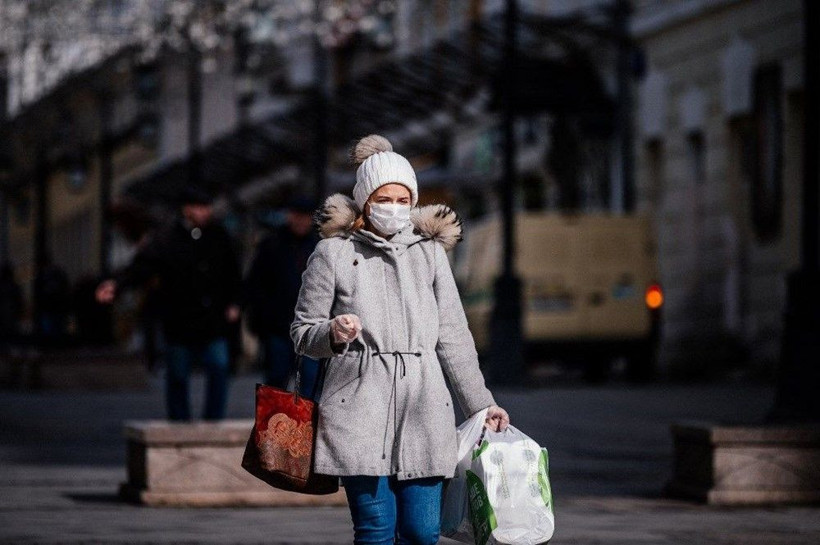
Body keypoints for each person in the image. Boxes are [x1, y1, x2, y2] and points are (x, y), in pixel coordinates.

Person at [291, 135, 510, 544]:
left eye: (402, 198)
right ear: (364, 199)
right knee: (375, 532)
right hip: (357, 407)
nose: (394, 207)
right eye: (383, 198)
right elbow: (303, 332)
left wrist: (482, 404)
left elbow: (453, 336)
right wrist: (334, 333)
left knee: (422, 532)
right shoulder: (332, 253)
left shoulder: (429, 253)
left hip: (425, 408)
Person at [96, 186, 241, 421]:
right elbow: (142, 266)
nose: (205, 212)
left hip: (213, 318)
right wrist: (117, 284)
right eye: (200, 207)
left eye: (207, 207)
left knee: (218, 366)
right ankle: (179, 421)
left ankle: (213, 420)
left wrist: (235, 303)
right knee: (178, 373)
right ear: (187, 210)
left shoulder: (219, 235)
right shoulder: (167, 237)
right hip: (180, 317)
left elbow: (233, 274)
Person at [244, 196, 322, 397]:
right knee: (277, 382)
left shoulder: (320, 246)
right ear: (289, 216)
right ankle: (273, 426)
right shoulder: (272, 245)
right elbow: (256, 283)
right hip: (279, 327)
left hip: (311, 328)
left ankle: (307, 428)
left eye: (305, 217)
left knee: (310, 384)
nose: (301, 221)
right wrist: (263, 319)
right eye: (297, 216)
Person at [0, 263, 24, 349]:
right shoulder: (14, 286)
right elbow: (19, 301)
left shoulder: (10, 286)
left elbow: (19, 301)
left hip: (7, 315)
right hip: (10, 315)